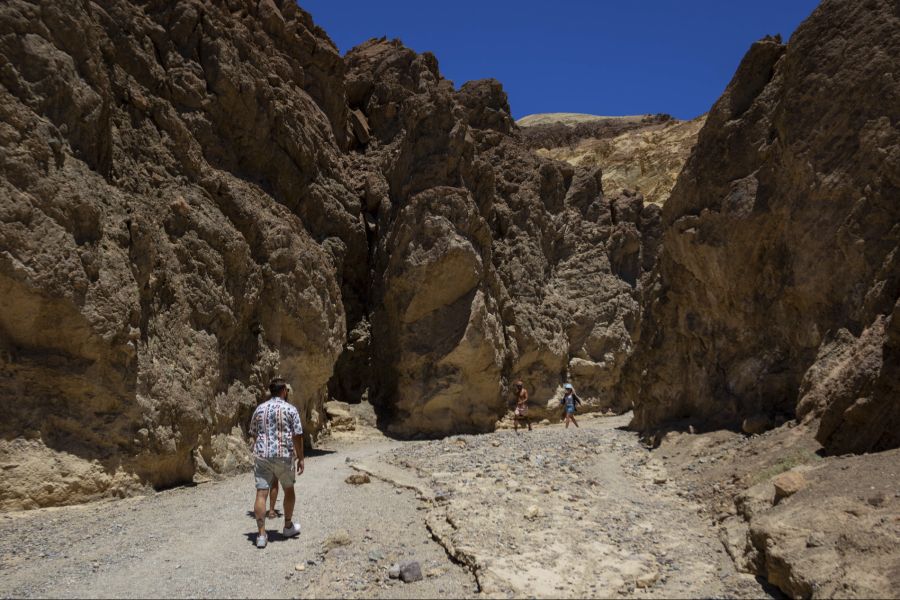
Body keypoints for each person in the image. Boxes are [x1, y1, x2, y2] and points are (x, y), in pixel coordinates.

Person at [249, 377, 305, 548]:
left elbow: (253, 432)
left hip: (262, 456)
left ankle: (260, 535)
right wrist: (301, 457)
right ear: (284, 391)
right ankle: (287, 526)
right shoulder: (290, 409)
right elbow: (297, 435)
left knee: (261, 493)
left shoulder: (260, 409)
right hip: (283, 455)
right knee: (289, 489)